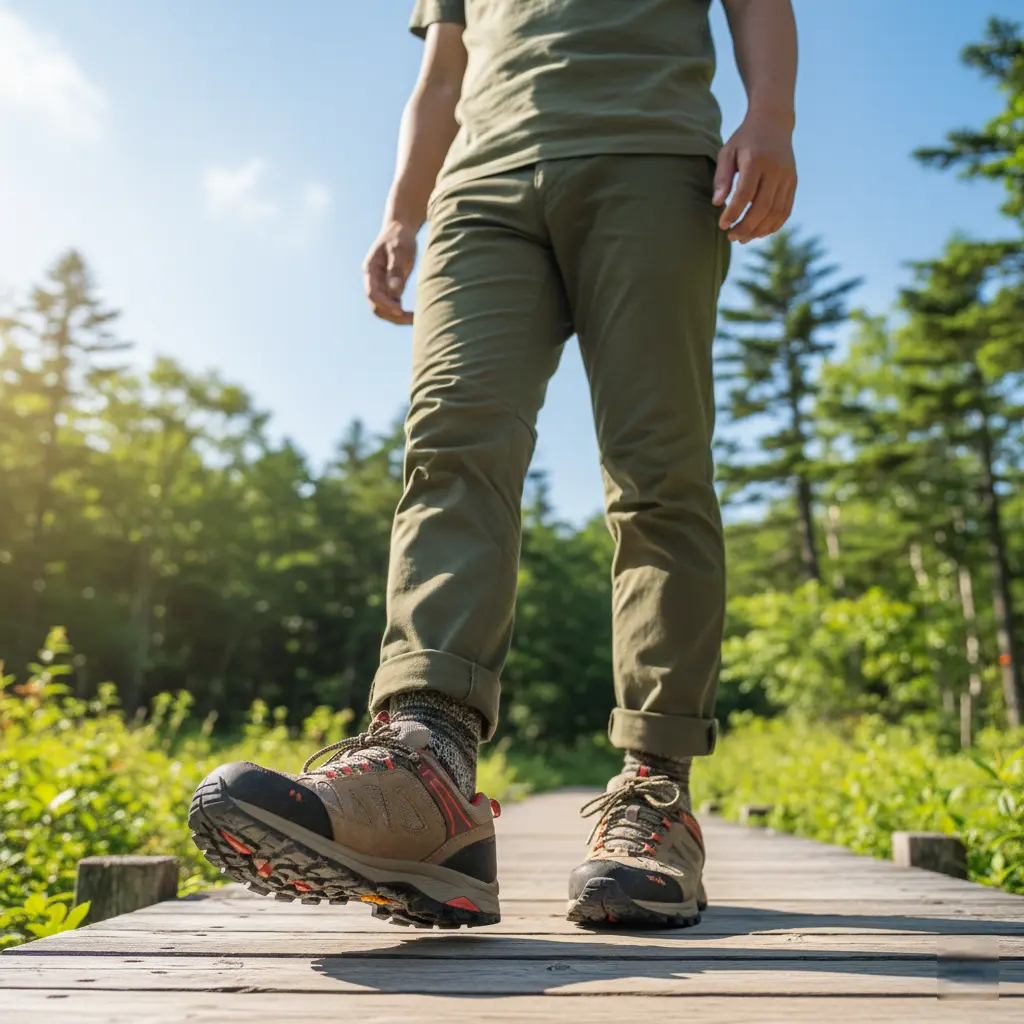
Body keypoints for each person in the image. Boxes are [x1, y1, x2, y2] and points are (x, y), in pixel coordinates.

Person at [189, 0, 797, 930]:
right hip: (481, 185)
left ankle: (654, 792)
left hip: (653, 160)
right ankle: (426, 764)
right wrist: (402, 210)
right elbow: (441, 73)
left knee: (656, 471)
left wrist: (773, 116)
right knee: (449, 445)